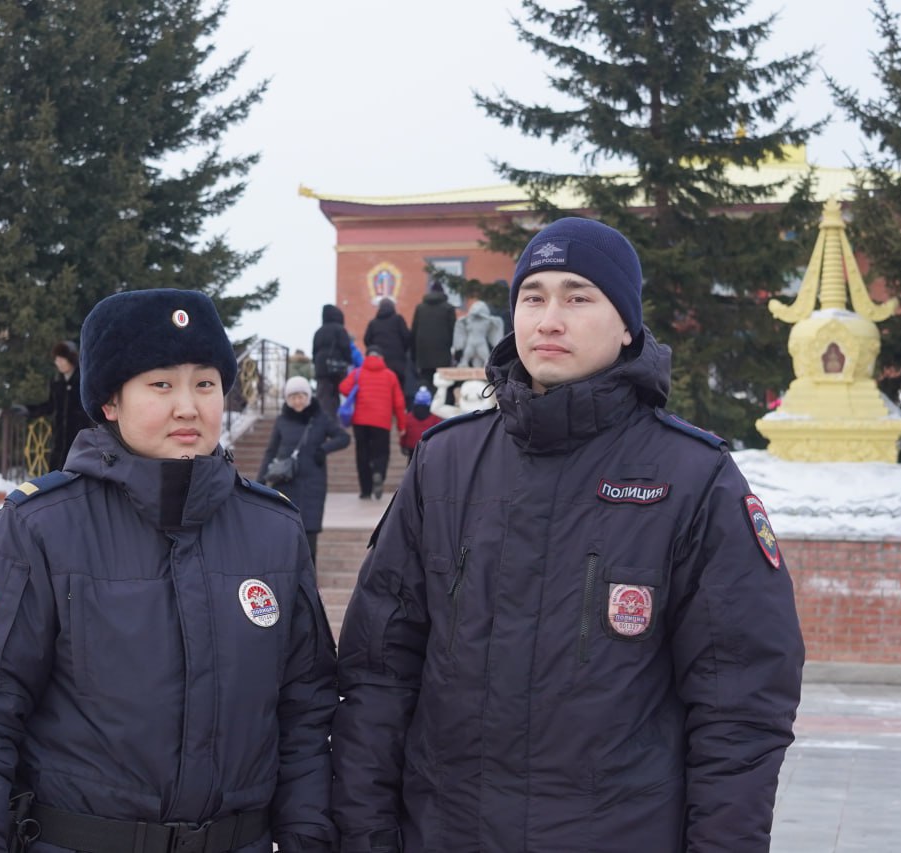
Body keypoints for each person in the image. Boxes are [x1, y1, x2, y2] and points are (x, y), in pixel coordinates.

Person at [331, 218, 804, 852]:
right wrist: (363, 835)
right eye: (534, 297)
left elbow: (740, 709)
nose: (549, 319)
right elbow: (378, 675)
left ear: (627, 325)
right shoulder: (445, 466)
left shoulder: (692, 479)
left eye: (578, 297)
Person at [0, 288, 337, 853]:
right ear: (110, 402)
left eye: (205, 384)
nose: (187, 406)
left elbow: (306, 713)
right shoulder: (42, 528)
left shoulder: (273, 531)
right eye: (161, 384)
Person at [257, 375, 351, 564]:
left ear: (308, 396)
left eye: (301, 396)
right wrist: (260, 480)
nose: (297, 401)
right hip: (286, 482)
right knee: (286, 529)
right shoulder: (282, 420)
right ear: (287, 399)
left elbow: (343, 438)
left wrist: (323, 449)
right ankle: (288, 574)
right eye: (292, 397)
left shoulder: (320, 418)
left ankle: (309, 576)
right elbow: (271, 451)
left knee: (309, 531)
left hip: (313, 484)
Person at [13, 340, 94, 472]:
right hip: (59, 440)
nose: (58, 363)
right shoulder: (57, 381)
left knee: (75, 474)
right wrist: (29, 410)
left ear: (71, 359)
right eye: (57, 359)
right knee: (55, 473)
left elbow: (92, 407)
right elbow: (50, 406)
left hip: (79, 439)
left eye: (62, 359)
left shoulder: (83, 380)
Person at [338, 347, 404, 501]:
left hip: (360, 421)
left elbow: (343, 387)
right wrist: (401, 426)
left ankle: (365, 491)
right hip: (382, 421)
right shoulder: (390, 375)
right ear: (381, 357)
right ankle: (379, 472)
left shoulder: (357, 372)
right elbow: (399, 403)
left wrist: (355, 390)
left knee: (362, 454)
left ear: (366, 356)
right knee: (381, 452)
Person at [410, 280, 456, 393]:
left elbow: (414, 331)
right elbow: (454, 331)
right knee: (443, 385)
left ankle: (426, 408)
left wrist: (413, 355)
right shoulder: (448, 308)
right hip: (443, 353)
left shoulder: (420, 308)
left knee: (426, 383)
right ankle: (441, 408)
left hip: (423, 354)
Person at [313, 304, 353, 422]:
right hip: (337, 368)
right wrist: (348, 361)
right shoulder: (340, 330)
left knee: (323, 396)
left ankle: (322, 420)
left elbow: (314, 351)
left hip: (321, 369)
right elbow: (346, 348)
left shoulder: (318, 332)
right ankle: (332, 422)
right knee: (335, 395)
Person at [363, 298, 412, 394]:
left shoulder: (373, 323)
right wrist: (403, 350)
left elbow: (366, 340)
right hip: (398, 363)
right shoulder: (398, 320)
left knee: (381, 390)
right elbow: (407, 337)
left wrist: (375, 351)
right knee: (397, 390)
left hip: (380, 363)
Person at [398, 386, 441, 460]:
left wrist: (403, 445)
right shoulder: (435, 418)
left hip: (412, 446)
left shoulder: (408, 417)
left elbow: (404, 433)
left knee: (411, 464)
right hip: (428, 447)